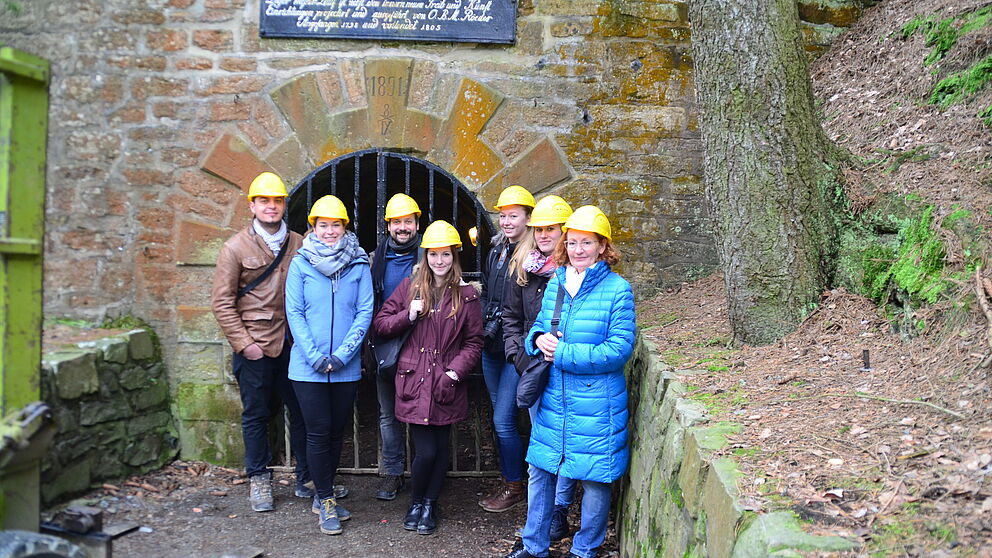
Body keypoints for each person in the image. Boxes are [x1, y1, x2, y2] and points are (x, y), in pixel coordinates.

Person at [504, 206, 636, 558]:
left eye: (587, 243)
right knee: (541, 469)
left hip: (596, 402)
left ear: (603, 246)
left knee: (594, 478)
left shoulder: (618, 290)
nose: (578, 250)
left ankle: (585, 549)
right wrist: (537, 341)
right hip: (554, 397)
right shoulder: (557, 282)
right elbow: (538, 327)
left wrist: (561, 353)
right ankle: (534, 546)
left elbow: (618, 350)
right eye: (573, 242)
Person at [372, 220, 483, 536]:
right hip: (415, 380)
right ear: (426, 255)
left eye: (445, 255)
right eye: (434, 254)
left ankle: (430, 504)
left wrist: (454, 372)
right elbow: (380, 324)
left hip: (445, 381)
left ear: (454, 256)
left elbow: (474, 342)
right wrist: (409, 314)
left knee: (441, 447)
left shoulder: (466, 296)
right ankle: (416, 502)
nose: (439, 261)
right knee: (427, 451)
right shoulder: (409, 287)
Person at [210, 171, 312, 513]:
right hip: (255, 346)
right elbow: (222, 302)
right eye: (264, 201)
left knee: (301, 413)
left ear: (285, 204)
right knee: (256, 414)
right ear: (252, 205)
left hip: (293, 345)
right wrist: (244, 343)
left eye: (277, 200)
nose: (271, 206)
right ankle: (259, 479)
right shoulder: (235, 247)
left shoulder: (299, 243)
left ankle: (306, 477)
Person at [285, 194, 373, 535]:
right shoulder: (300, 263)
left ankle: (324, 487)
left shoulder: (359, 263)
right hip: (308, 368)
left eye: (335, 225)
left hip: (345, 366)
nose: (329, 231)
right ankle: (324, 498)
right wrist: (315, 356)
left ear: (344, 227)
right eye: (323, 225)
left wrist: (343, 354)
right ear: (313, 227)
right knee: (318, 432)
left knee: (336, 433)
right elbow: (294, 312)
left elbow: (365, 311)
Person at [502, 195, 577, 542]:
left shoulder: (577, 273)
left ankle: (558, 511)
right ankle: (542, 521)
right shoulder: (525, 268)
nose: (544, 235)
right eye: (540, 229)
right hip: (533, 367)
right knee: (541, 444)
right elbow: (511, 319)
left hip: (568, 368)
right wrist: (521, 358)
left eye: (551, 229)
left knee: (567, 443)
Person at [479, 185, 535, 513]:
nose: (506, 221)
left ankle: (515, 485)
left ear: (528, 217)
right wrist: (484, 320)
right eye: (502, 215)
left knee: (503, 420)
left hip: (515, 351)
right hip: (491, 346)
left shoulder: (533, 257)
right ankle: (510, 478)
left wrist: (520, 345)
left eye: (513, 216)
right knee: (501, 418)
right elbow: (487, 291)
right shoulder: (497, 250)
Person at [368, 193, 422, 501]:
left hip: (421, 344)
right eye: (397, 222)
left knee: (419, 411)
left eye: (407, 221)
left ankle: (421, 470)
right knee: (388, 413)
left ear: (417, 223)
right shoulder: (376, 260)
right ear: (388, 225)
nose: (403, 227)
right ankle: (392, 472)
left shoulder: (430, 255)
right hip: (386, 342)